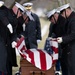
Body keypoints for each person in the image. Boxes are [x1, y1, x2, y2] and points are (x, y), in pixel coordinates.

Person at [46, 8, 67, 75]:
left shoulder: (64, 22)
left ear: (55, 16)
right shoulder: (54, 24)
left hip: (65, 49)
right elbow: (51, 33)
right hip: (58, 49)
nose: (51, 21)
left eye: (51, 19)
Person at [56, 3, 75, 75]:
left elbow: (73, 34)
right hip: (69, 50)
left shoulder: (73, 19)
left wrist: (63, 39)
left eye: (62, 13)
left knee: (72, 70)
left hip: (73, 49)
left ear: (67, 11)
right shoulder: (70, 19)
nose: (62, 16)